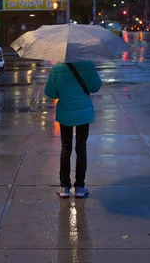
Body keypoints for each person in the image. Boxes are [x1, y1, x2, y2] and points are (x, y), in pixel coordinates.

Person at [45, 61, 102, 198]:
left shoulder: (57, 68)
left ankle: (64, 187)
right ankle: (80, 187)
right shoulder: (88, 65)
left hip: (66, 112)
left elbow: (51, 93)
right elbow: (96, 87)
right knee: (81, 148)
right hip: (84, 112)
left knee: (66, 147)